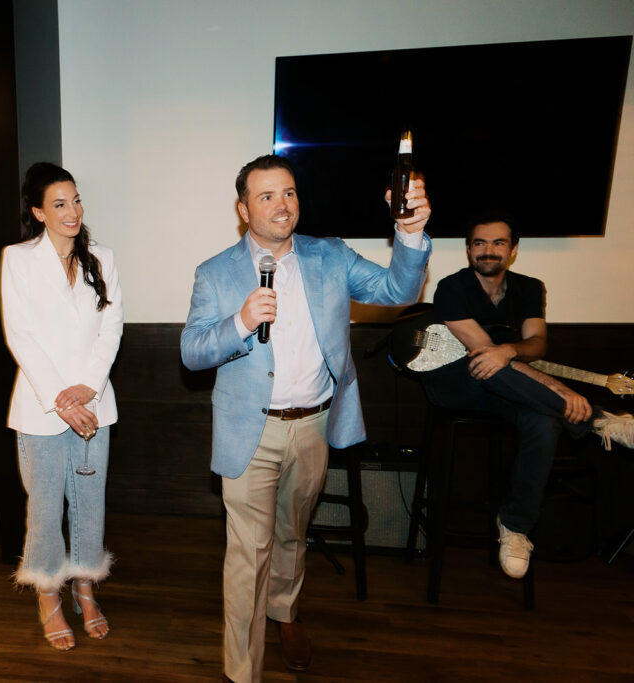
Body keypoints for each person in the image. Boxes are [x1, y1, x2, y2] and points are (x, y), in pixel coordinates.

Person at [180, 154, 431, 682]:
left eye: (289, 193)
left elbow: (399, 292)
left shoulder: (330, 256)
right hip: (251, 430)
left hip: (315, 424)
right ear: (243, 208)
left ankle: (286, 611)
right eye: (266, 195)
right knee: (250, 551)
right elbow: (193, 353)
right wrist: (241, 321)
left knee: (293, 534)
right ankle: (242, 671)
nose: (282, 205)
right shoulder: (216, 271)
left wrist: (409, 234)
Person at [420, 213, 633, 579]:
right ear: (468, 249)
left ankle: (515, 526)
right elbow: (483, 353)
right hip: (457, 386)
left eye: (498, 243)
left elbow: (537, 343)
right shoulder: (450, 288)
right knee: (486, 362)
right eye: (480, 243)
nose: (489, 251)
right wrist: (558, 387)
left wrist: (510, 350)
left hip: (512, 391)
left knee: (544, 421)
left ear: (513, 250)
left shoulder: (530, 287)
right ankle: (599, 420)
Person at [0, 162, 123, 651]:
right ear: (38, 211)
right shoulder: (18, 258)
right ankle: (48, 593)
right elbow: (21, 336)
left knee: (90, 504)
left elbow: (111, 329)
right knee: (46, 506)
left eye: (75, 200)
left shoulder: (103, 257)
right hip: (40, 408)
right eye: (59, 204)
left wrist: (86, 390)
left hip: (94, 406)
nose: (73, 211)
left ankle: (86, 588)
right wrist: (61, 399)